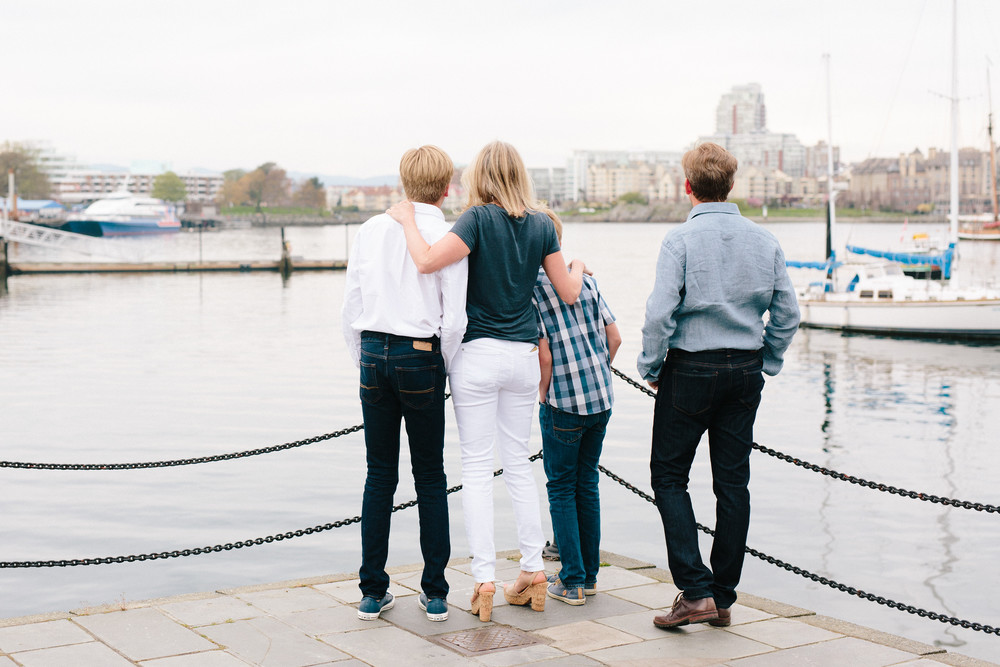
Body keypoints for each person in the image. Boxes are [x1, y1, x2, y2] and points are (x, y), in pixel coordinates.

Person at [387, 140, 587, 621]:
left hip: (477, 357)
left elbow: (427, 260)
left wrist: (408, 221)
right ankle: (535, 569)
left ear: (480, 176)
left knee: (476, 468)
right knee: (518, 463)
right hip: (522, 358)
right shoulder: (542, 225)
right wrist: (578, 266)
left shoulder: (476, 220)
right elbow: (569, 292)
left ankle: (483, 580)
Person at [637, 142, 800, 629]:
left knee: (668, 477)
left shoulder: (678, 242)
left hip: (689, 370)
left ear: (687, 186)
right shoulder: (765, 241)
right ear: (731, 185)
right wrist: (766, 358)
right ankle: (722, 595)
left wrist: (651, 365)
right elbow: (788, 315)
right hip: (744, 371)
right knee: (733, 483)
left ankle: (695, 589)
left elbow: (659, 314)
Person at [341, 145, 468, 623]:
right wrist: (444, 368)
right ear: (446, 186)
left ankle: (372, 592)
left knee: (379, 475)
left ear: (402, 181)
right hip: (421, 356)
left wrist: (363, 360)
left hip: (374, 352)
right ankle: (434, 592)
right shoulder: (449, 233)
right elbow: (454, 317)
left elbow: (350, 304)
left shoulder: (371, 229)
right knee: (430, 476)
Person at [533, 211, 621, 606]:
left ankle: (570, 581)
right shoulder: (586, 280)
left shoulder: (531, 289)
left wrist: (542, 393)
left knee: (561, 489)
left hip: (564, 403)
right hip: (600, 399)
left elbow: (545, 358)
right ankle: (590, 574)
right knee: (588, 484)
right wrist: (598, 371)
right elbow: (614, 337)